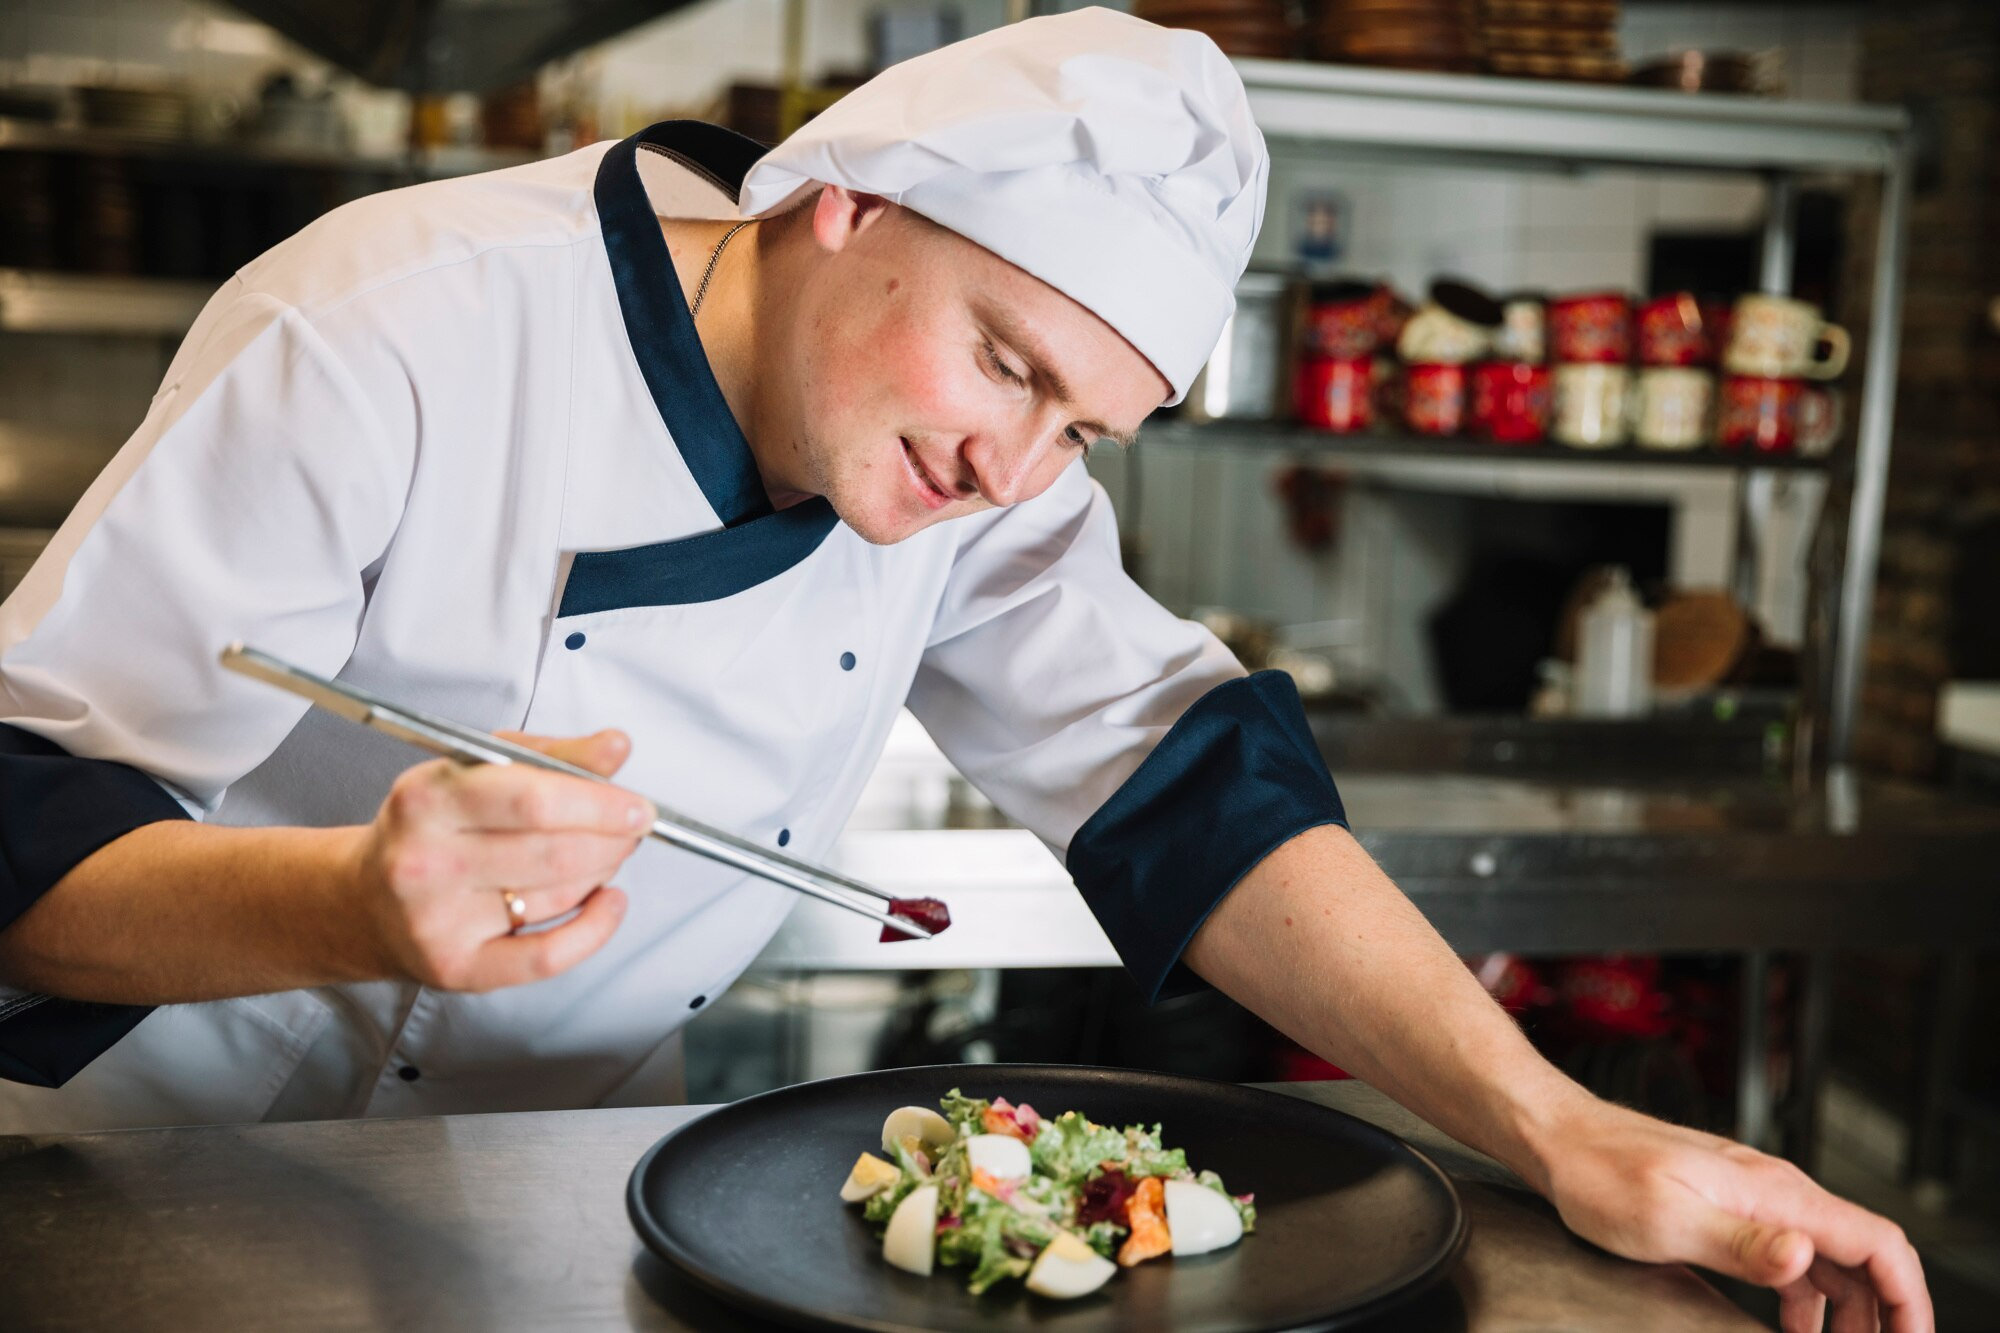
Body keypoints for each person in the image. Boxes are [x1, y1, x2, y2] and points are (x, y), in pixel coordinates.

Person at [0, 10, 1927, 1330]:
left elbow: (1188, 787)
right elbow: (21, 833)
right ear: (841, 202)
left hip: (552, 1207)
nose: (1013, 473)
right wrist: (347, 899)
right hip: (152, 1198)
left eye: (1084, 432)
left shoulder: (984, 472)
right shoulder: (394, 326)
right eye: (1006, 364)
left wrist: (1571, 1134)